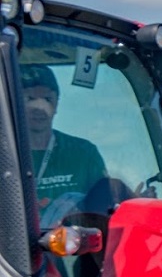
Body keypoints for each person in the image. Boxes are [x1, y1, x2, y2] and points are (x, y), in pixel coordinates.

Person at [22, 64, 107, 224]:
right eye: (30, 99)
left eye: (47, 99)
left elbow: (104, 205)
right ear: (14, 104)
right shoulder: (6, 154)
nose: (39, 108)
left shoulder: (83, 152)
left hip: (75, 246)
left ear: (56, 105)